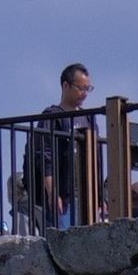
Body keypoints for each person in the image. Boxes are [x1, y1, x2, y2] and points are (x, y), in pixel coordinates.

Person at [25, 62, 95, 230]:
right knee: (63, 238)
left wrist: (99, 197)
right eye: (80, 88)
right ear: (65, 85)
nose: (84, 93)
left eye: (88, 89)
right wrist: (52, 192)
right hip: (64, 196)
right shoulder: (52, 116)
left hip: (86, 195)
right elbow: (45, 156)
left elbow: (95, 158)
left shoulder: (88, 118)